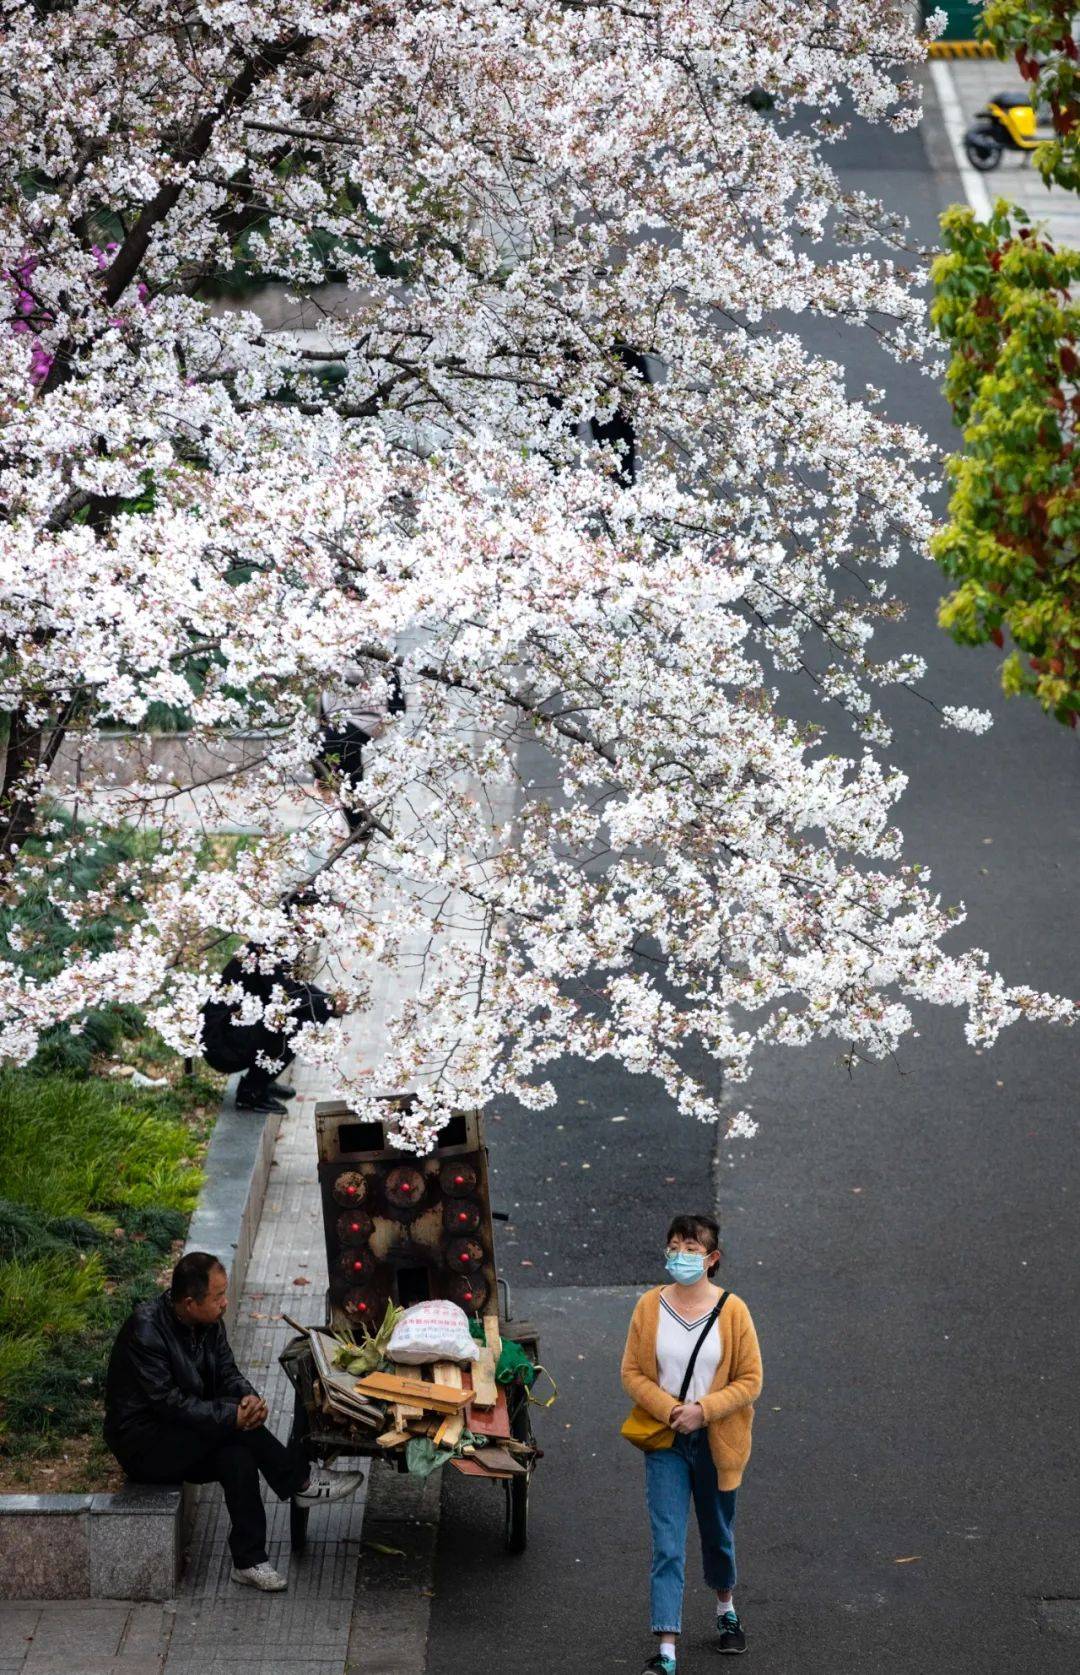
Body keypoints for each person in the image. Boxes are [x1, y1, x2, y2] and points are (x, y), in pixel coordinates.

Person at [104, 1251, 361, 1592]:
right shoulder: (147, 1330)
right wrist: (231, 1417)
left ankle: (249, 1561)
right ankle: (300, 1481)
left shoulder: (208, 1322)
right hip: (145, 1444)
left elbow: (227, 1372)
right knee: (235, 1436)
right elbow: (169, 1403)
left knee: (237, 1457)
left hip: (188, 1432)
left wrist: (248, 1399)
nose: (225, 1303)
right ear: (189, 1303)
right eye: (217, 1297)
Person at [621, 1213, 763, 1669]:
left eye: (692, 1249)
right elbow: (632, 1373)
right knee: (667, 1543)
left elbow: (751, 1379)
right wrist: (670, 1411)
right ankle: (666, 1650)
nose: (681, 1256)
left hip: (717, 1442)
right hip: (665, 1440)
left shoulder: (734, 1311)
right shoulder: (649, 1307)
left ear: (712, 1258)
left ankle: (725, 1609)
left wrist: (704, 1411)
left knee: (717, 1535)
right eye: (675, 1247)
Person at [200, 949, 337, 1114]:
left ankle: (263, 1077)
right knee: (295, 1022)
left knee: (311, 1012)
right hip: (223, 1045)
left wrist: (331, 1002)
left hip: (237, 1029)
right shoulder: (268, 951)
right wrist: (329, 1004)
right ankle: (251, 1092)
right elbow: (288, 997)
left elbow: (295, 986)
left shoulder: (277, 942)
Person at [315, 662, 405, 833]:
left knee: (329, 743)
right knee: (348, 767)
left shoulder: (381, 664)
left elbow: (398, 708)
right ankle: (359, 826)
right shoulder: (329, 662)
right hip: (338, 722)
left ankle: (328, 785)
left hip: (370, 719)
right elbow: (322, 716)